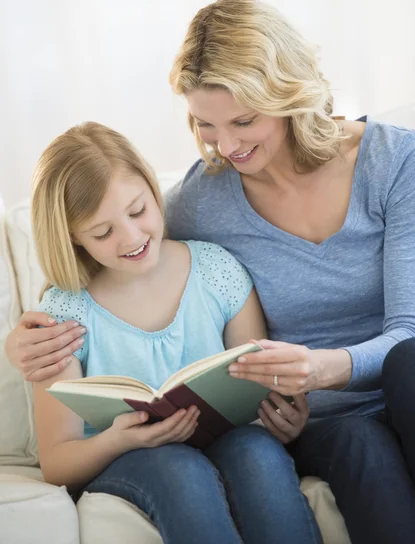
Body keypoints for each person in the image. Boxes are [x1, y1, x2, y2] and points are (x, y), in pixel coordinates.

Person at [5, 0, 415, 543]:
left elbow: (407, 335)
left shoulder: (393, 162)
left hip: (400, 382)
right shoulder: (200, 204)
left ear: (289, 93)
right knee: (353, 444)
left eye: (243, 121)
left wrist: (320, 369)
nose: (225, 146)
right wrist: (27, 345)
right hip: (326, 421)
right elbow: (127, 253)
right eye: (205, 126)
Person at [24, 121, 321, 544]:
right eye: (103, 232)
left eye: (138, 210)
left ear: (151, 188)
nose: (131, 237)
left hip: (228, 438)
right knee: (181, 467)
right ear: (72, 238)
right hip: (132, 460)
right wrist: (116, 441)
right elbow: (57, 461)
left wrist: (285, 420)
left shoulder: (215, 270)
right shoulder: (64, 313)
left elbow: (259, 391)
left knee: (257, 452)